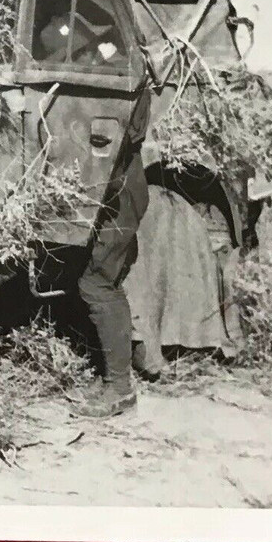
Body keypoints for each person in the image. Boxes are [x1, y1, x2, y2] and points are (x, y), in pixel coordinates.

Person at [68, 95, 151, 419]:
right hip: (117, 186)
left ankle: (120, 389)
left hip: (119, 191)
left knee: (99, 284)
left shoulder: (126, 80)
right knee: (100, 281)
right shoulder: (129, 72)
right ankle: (113, 380)